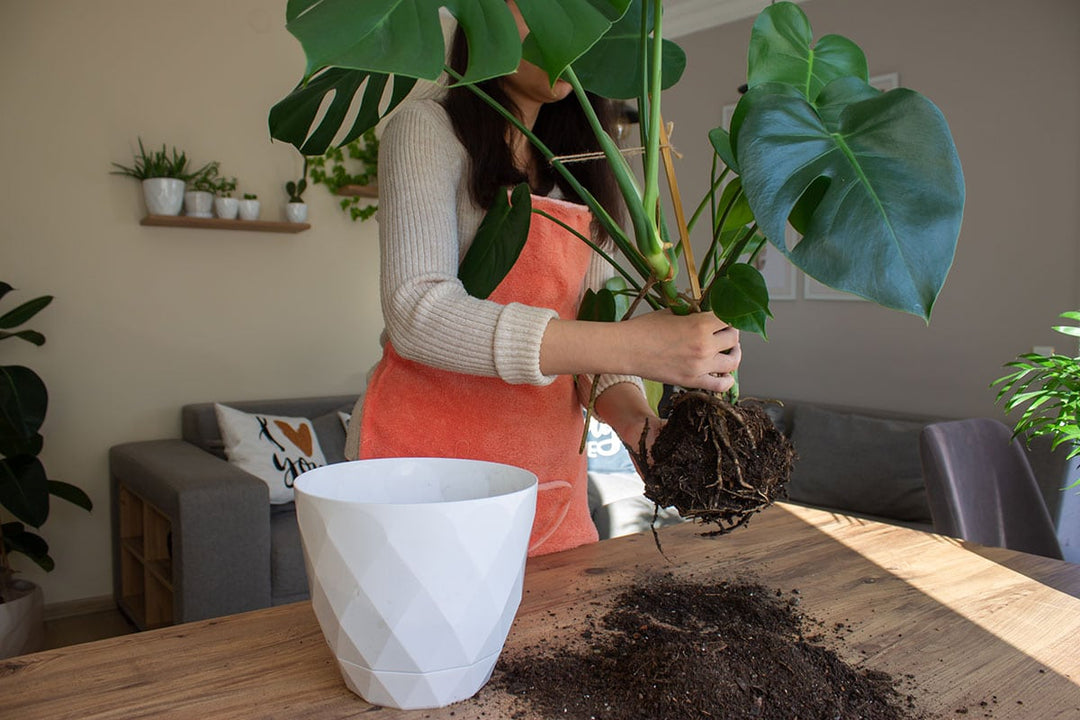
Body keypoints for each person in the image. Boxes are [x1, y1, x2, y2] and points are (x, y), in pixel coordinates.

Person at [345, 1, 741, 556]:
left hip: (548, 478)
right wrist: (636, 346)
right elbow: (418, 312)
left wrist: (637, 425)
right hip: (422, 470)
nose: (565, 26)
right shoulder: (427, 128)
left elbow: (593, 342)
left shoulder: (593, 170)